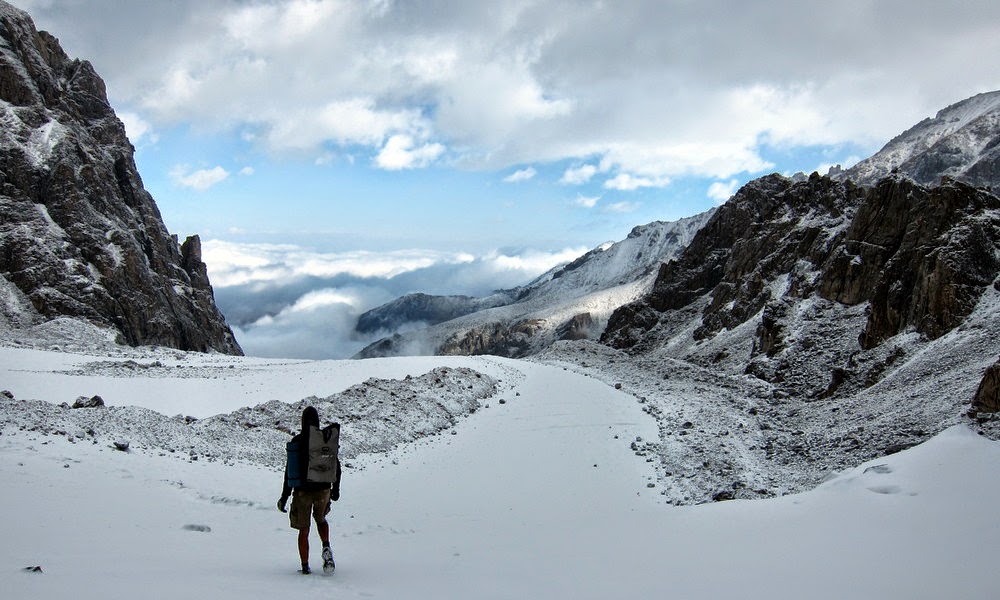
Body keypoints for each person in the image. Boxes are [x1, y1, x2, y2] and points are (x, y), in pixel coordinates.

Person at [278, 406, 341, 574]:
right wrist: (335, 490)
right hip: (323, 490)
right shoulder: (324, 440)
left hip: (303, 492)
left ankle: (305, 567)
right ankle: (326, 546)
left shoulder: (298, 441)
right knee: (321, 520)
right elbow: (336, 465)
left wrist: (284, 496)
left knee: (304, 529)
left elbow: (289, 471)